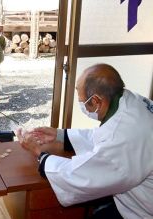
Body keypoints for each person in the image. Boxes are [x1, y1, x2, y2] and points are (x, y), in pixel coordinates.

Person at [17, 64, 153, 219]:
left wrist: (39, 153)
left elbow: (82, 177)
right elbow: (104, 136)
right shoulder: (130, 100)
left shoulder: (124, 136)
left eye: (81, 100)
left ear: (96, 101)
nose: (81, 104)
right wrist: (60, 135)